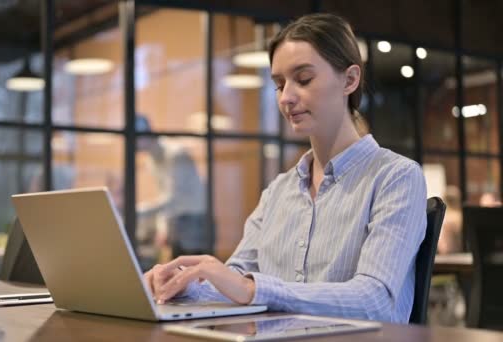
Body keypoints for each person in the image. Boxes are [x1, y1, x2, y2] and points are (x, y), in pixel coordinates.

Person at [144, 13, 427, 324]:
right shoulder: (279, 190)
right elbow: (235, 278)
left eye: (303, 79)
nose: (286, 98)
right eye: (279, 84)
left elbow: (375, 301)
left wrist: (254, 289)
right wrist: (181, 284)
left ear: (349, 80)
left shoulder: (396, 177)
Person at [135, 115, 213, 259]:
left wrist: (143, 211)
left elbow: (174, 197)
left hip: (194, 220)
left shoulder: (176, 154)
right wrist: (162, 226)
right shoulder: (151, 159)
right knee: (178, 270)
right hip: (177, 220)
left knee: (195, 273)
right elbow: (164, 195)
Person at [437, 185, 462, 254]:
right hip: (461, 256)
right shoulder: (461, 216)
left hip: (450, 257)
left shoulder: (447, 219)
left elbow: (446, 248)